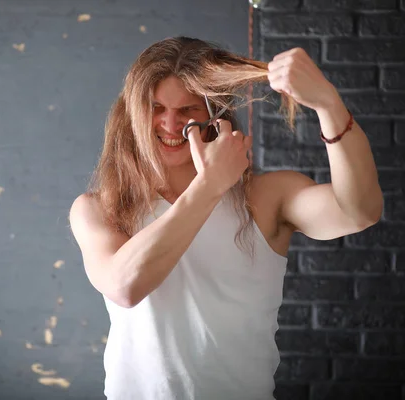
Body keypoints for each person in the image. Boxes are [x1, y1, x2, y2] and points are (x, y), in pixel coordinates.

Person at [69, 37, 383, 400]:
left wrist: (329, 103)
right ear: (134, 113)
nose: (171, 124)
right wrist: (210, 185)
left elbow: (359, 211)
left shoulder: (265, 198)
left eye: (187, 108)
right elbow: (124, 287)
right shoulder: (98, 208)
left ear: (213, 114)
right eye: (156, 107)